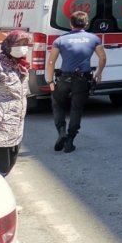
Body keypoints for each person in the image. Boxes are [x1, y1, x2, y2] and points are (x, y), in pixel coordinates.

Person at [45, 11, 107, 154]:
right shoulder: (94, 39)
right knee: (76, 109)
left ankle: (61, 132)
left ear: (70, 24)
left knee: (58, 104)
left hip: (64, 78)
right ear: (87, 23)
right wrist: (98, 72)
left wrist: (49, 81)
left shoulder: (60, 40)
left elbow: (51, 61)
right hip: (82, 79)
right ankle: (70, 140)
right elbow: (102, 58)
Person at [0, 31, 31, 175]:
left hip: (15, 129)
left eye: (25, 44)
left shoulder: (22, 67)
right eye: (18, 44)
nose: (23, 47)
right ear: (8, 45)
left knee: (7, 168)